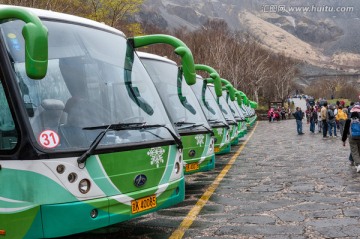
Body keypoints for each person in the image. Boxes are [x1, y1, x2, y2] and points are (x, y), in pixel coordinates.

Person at [342, 105, 360, 171]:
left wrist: (344, 140)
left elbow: (345, 131)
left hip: (352, 138)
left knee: (354, 151)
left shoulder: (348, 120)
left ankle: (358, 164)